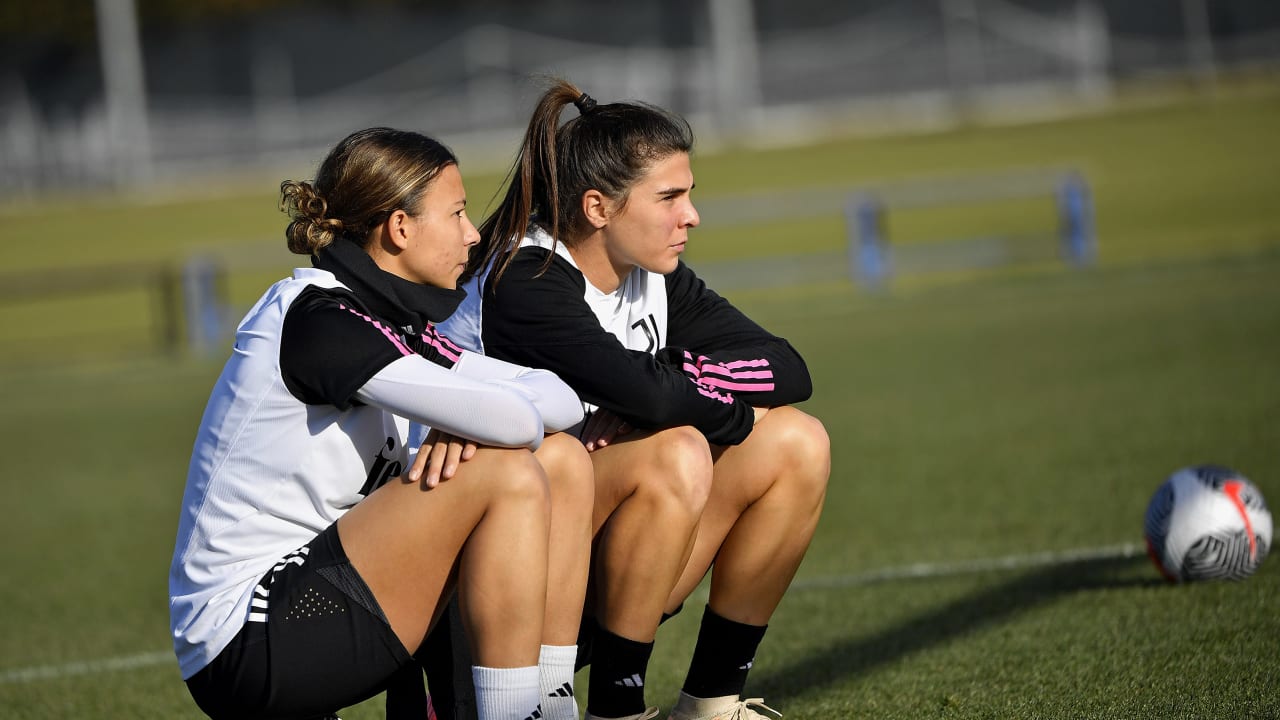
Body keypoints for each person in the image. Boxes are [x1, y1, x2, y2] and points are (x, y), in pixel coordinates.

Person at [168, 127, 594, 720]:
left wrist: (472, 422)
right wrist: (474, 422)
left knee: (562, 460)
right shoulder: (321, 318)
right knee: (504, 471)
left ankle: (549, 703)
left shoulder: (393, 324)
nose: (474, 234)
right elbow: (516, 419)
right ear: (400, 227)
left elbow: (561, 400)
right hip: (247, 638)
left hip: (320, 590)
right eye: (458, 213)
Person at [441, 81, 831, 720]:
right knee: (675, 450)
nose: (691, 216)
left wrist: (666, 382)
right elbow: (649, 395)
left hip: (594, 563)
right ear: (598, 207)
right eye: (670, 197)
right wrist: (664, 399)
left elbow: (787, 369)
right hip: (490, 591)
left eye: (690, 195)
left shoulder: (655, 277)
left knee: (797, 442)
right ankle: (616, 709)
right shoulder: (527, 280)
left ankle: (709, 704)